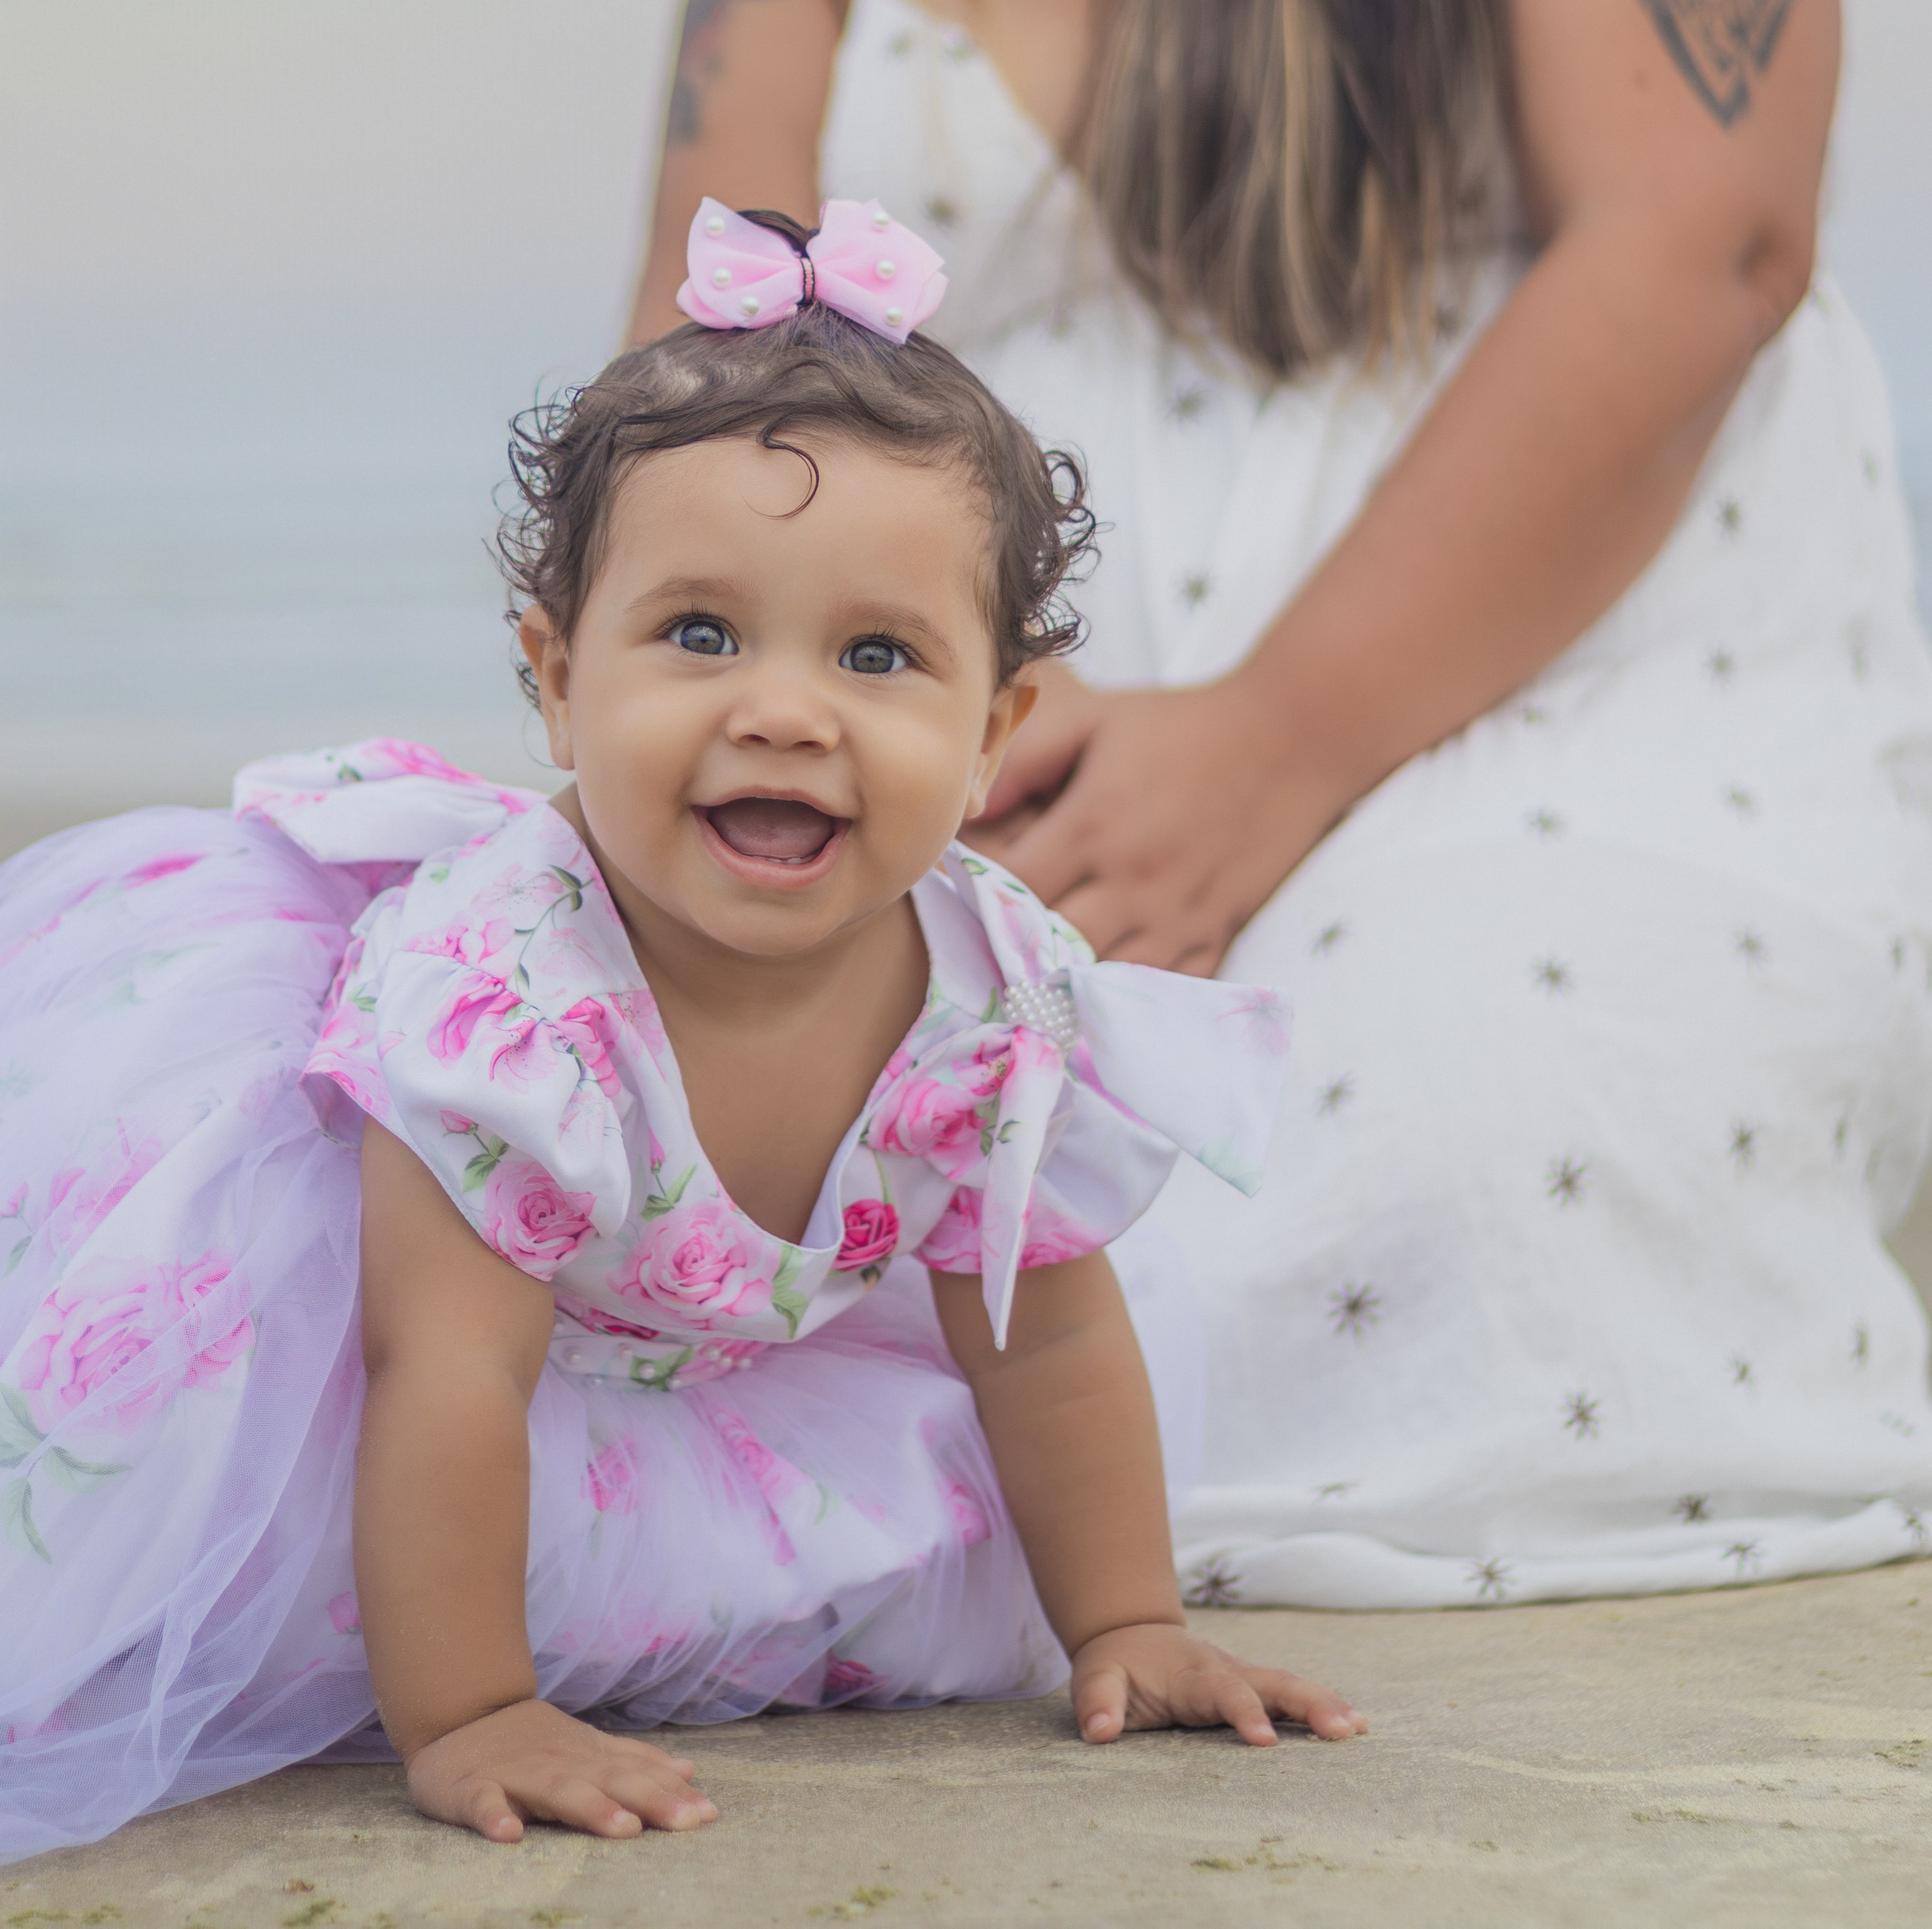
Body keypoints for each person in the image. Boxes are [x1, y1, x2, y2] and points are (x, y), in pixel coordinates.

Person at [628, 0, 1932, 1607]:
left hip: (1530, 701)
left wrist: (1266, 752)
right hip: (983, 748)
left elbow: (1711, 248)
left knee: (1429, 1123)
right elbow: (686, 438)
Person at [0, 202, 1365, 1862]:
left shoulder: (991, 1004)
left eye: (878, 654)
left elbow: (1048, 1342)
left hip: (700, 1356)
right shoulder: (509, 1008)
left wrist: (1125, 1621)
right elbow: (443, 1369)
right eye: (699, 634)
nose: (781, 707)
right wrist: (469, 1707)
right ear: (557, 674)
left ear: (996, 727)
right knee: (258, 1520)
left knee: (917, 1541)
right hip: (412, 1352)